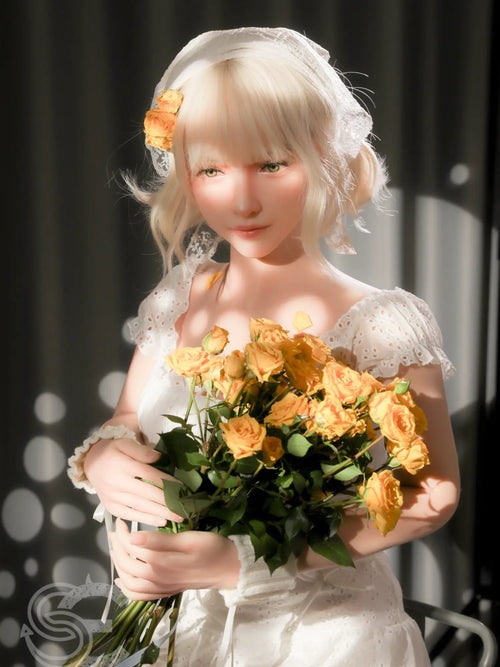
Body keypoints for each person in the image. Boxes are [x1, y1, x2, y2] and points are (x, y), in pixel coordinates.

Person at [67, 27, 460, 666]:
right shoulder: (181, 295)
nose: (243, 200)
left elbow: (434, 492)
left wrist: (241, 562)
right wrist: (106, 459)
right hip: (190, 630)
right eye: (211, 170)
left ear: (324, 156)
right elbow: (128, 416)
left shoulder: (382, 322)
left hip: (330, 640)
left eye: (272, 164)